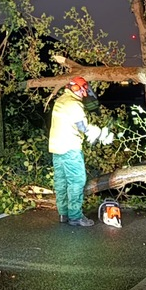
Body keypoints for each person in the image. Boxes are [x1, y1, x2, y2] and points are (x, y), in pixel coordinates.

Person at [48, 76, 105, 227]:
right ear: (78, 89)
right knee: (77, 181)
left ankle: (63, 213)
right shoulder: (74, 104)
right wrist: (97, 132)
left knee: (61, 182)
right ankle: (75, 216)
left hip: (56, 148)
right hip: (70, 147)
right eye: (84, 89)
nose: (84, 93)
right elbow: (82, 127)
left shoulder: (61, 100)